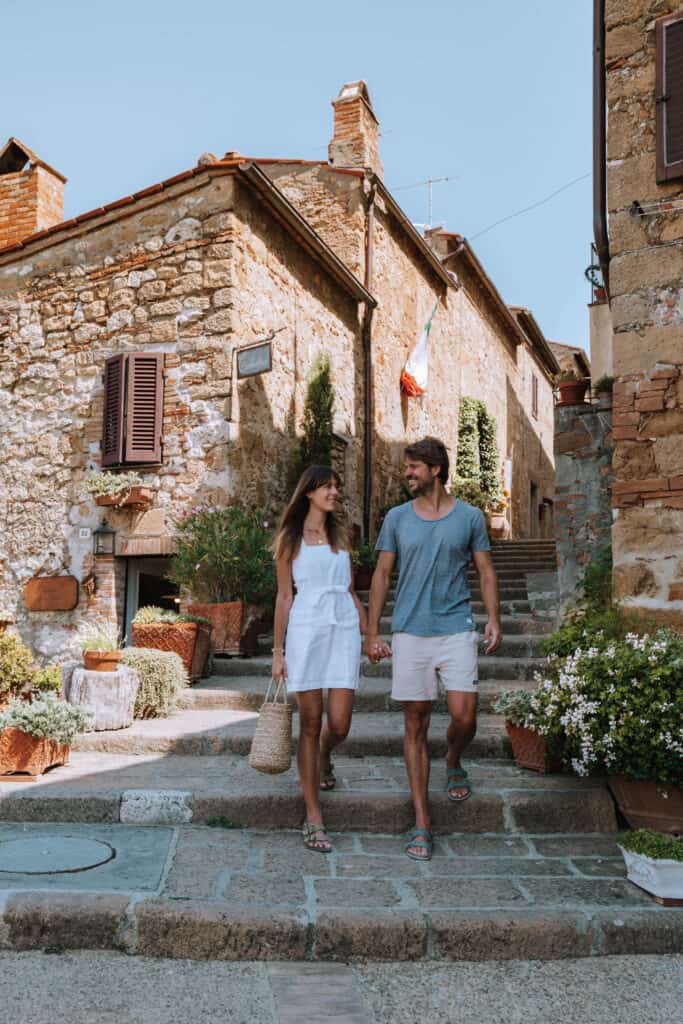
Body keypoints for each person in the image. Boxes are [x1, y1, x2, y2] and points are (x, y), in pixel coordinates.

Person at [365, 437, 501, 861]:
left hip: (456, 628)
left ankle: (454, 757)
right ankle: (422, 822)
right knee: (415, 724)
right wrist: (372, 632)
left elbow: (485, 569)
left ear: (435, 469)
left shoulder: (470, 517)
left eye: (413, 467)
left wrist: (493, 618)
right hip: (409, 633)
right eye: (406, 467)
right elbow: (382, 575)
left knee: (464, 716)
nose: (407, 474)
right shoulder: (397, 518)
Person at [272, 465, 366, 853]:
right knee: (310, 723)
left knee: (339, 724)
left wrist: (370, 633)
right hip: (306, 631)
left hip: (343, 629)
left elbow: (350, 590)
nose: (335, 491)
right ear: (308, 492)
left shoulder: (342, 535)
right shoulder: (289, 540)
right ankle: (313, 816)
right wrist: (278, 652)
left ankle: (327, 754)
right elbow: (284, 597)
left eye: (336, 485)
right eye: (327, 486)